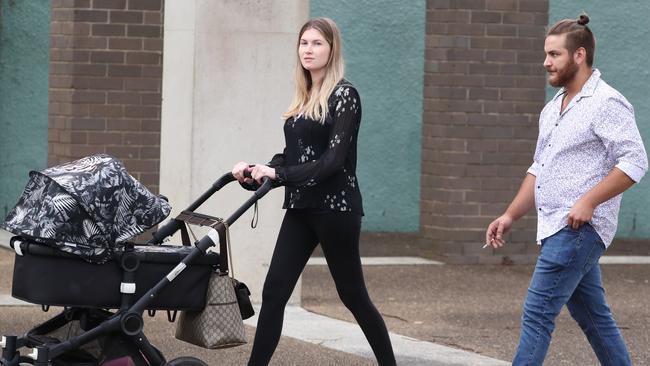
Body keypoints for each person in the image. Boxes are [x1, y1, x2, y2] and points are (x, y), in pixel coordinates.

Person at [231, 17, 396, 366]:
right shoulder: (305, 97)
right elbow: (292, 157)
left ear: (332, 49)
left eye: (317, 43)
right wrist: (256, 172)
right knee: (274, 292)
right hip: (303, 207)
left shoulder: (344, 95)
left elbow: (333, 161)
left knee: (353, 296)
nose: (309, 49)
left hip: (336, 209)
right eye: (304, 43)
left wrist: (279, 172)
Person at [485, 14, 647, 365]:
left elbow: (635, 162)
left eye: (554, 55)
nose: (546, 62)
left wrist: (588, 201)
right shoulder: (553, 108)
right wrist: (510, 215)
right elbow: (538, 170)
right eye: (546, 54)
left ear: (579, 55)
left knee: (537, 313)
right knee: (594, 319)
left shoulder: (607, 103)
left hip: (577, 230)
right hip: (556, 225)